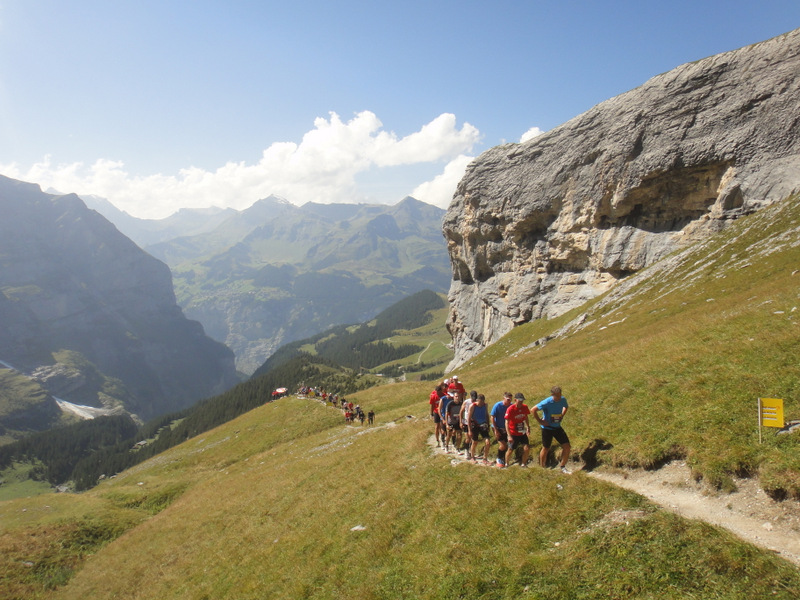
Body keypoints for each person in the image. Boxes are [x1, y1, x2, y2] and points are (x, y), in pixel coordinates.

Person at [533, 386, 572, 474]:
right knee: (546, 448)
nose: (558, 397)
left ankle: (562, 466)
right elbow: (533, 410)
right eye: (557, 396)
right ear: (552, 395)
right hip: (547, 429)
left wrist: (562, 415)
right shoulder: (547, 402)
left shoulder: (563, 399)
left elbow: (566, 406)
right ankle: (542, 468)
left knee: (567, 446)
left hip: (557, 427)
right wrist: (540, 421)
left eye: (560, 395)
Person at [505, 393, 531, 467]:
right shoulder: (510, 409)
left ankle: (523, 463)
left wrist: (528, 427)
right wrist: (509, 435)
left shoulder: (525, 407)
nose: (521, 402)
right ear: (515, 400)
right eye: (519, 400)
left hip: (522, 432)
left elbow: (526, 417)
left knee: (526, 448)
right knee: (510, 449)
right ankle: (507, 463)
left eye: (522, 400)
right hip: (513, 433)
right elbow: (506, 422)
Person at [468, 393, 491, 464]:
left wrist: (488, 424)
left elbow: (487, 415)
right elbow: (468, 418)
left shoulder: (485, 405)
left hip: (483, 424)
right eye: (480, 402)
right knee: (474, 442)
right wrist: (469, 430)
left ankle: (485, 458)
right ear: (477, 400)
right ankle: (472, 456)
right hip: (475, 425)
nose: (481, 404)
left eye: (482, 402)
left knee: (487, 442)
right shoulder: (473, 406)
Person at [491, 392, 513, 467]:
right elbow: (492, 417)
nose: (509, 401)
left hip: (506, 428)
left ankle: (503, 458)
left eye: (510, 399)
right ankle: (499, 458)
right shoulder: (497, 405)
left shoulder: (511, 406)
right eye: (508, 399)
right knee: (503, 445)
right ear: (504, 398)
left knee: (507, 444)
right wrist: (496, 430)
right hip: (497, 427)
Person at [460, 390, 476, 458]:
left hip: (474, 422)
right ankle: (466, 451)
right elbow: (461, 412)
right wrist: (461, 422)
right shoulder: (466, 402)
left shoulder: (477, 402)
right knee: (468, 438)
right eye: (472, 398)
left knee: (473, 438)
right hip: (466, 422)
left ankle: (471, 451)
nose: (473, 399)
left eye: (474, 398)